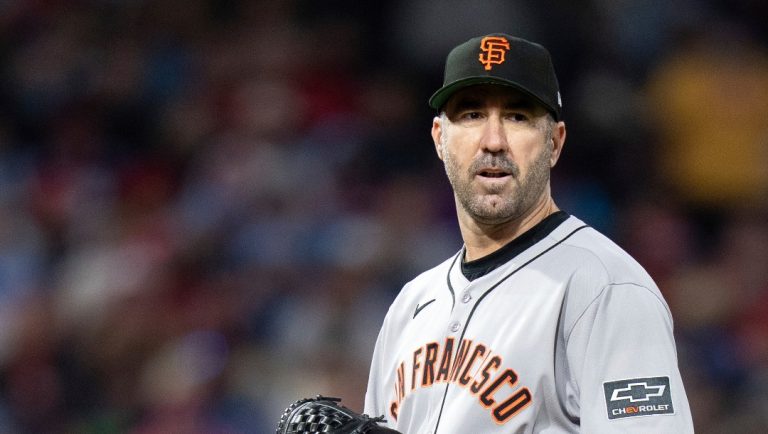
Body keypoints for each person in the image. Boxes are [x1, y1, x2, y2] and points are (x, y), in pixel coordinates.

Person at [363, 33, 694, 433]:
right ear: (439, 138)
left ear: (554, 143)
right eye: (471, 116)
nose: (493, 141)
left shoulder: (606, 288)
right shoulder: (411, 305)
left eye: (517, 117)